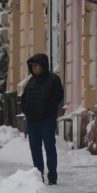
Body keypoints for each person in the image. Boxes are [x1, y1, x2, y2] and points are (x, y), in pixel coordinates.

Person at [20, 53, 64, 185]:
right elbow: (24, 99)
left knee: (49, 147)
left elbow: (57, 97)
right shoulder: (31, 81)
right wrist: (27, 111)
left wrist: (46, 110)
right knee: (35, 148)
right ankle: (38, 174)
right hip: (33, 121)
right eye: (32, 66)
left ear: (43, 66)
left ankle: (52, 175)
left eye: (37, 66)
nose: (34, 69)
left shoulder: (53, 79)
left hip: (47, 120)